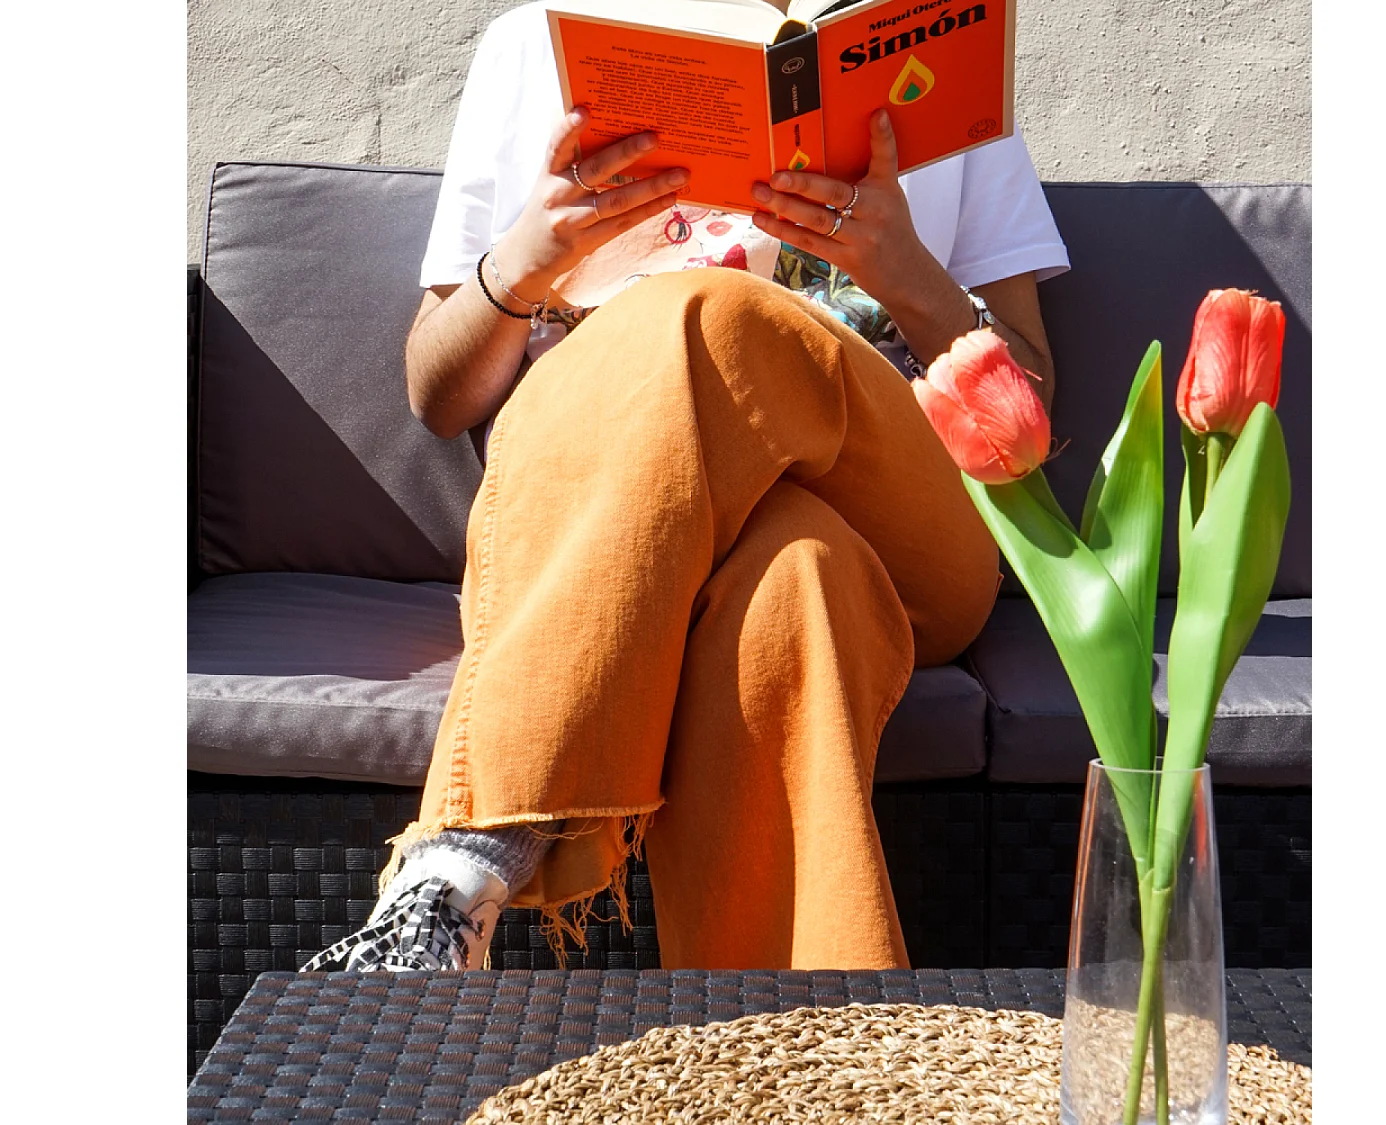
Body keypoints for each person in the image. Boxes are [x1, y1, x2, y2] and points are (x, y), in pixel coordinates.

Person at [302, 0, 1069, 974]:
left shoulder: (928, 41)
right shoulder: (539, 38)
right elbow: (439, 393)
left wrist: (905, 272)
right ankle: (809, 1062)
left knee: (713, 311)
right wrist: (529, 260)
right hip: (645, 514)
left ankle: (470, 855)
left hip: (904, 519)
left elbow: (1029, 407)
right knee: (796, 582)